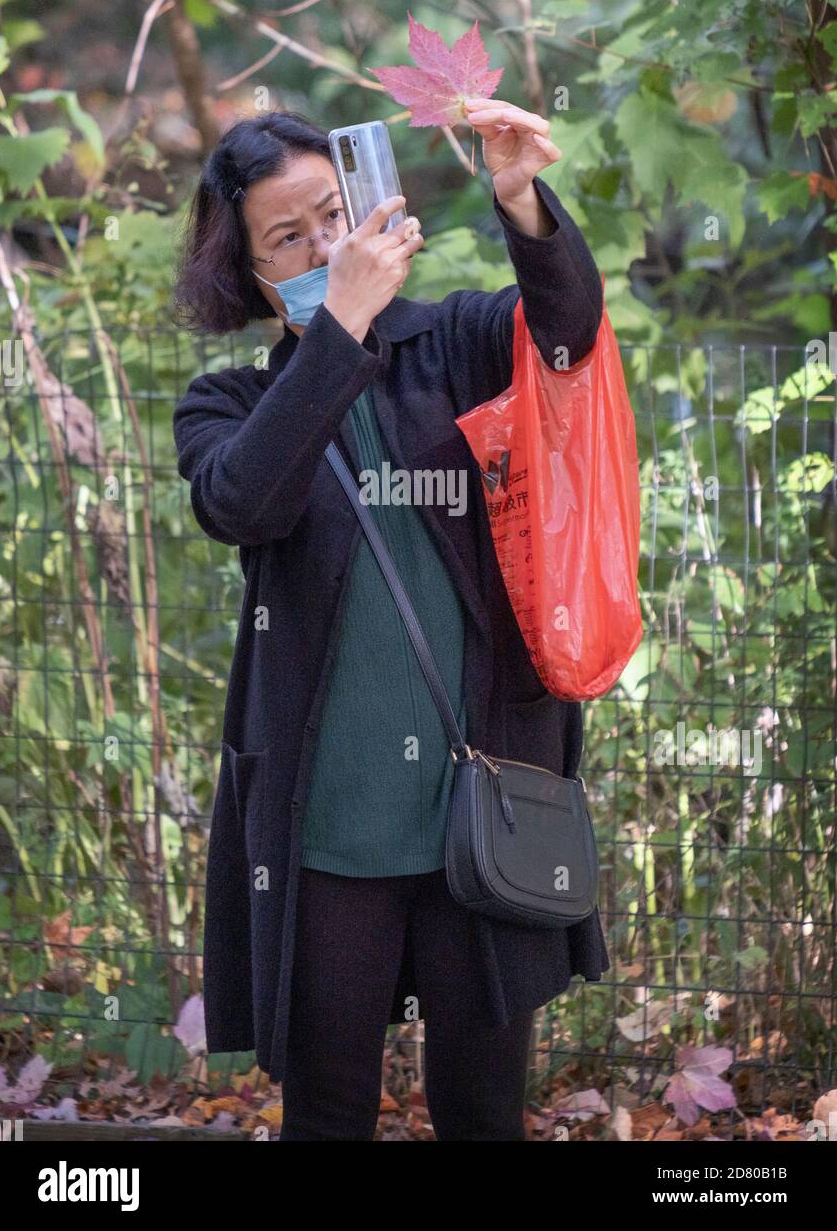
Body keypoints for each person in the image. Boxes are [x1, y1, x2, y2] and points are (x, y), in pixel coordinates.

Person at [171, 99, 610, 1141]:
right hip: (327, 831)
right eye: (291, 236)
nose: (330, 245)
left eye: (335, 212)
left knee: (483, 1106)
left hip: (479, 803)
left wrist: (519, 199)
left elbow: (570, 333)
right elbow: (243, 501)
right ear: (249, 272)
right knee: (326, 1109)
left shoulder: (454, 339)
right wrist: (339, 329)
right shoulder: (227, 403)